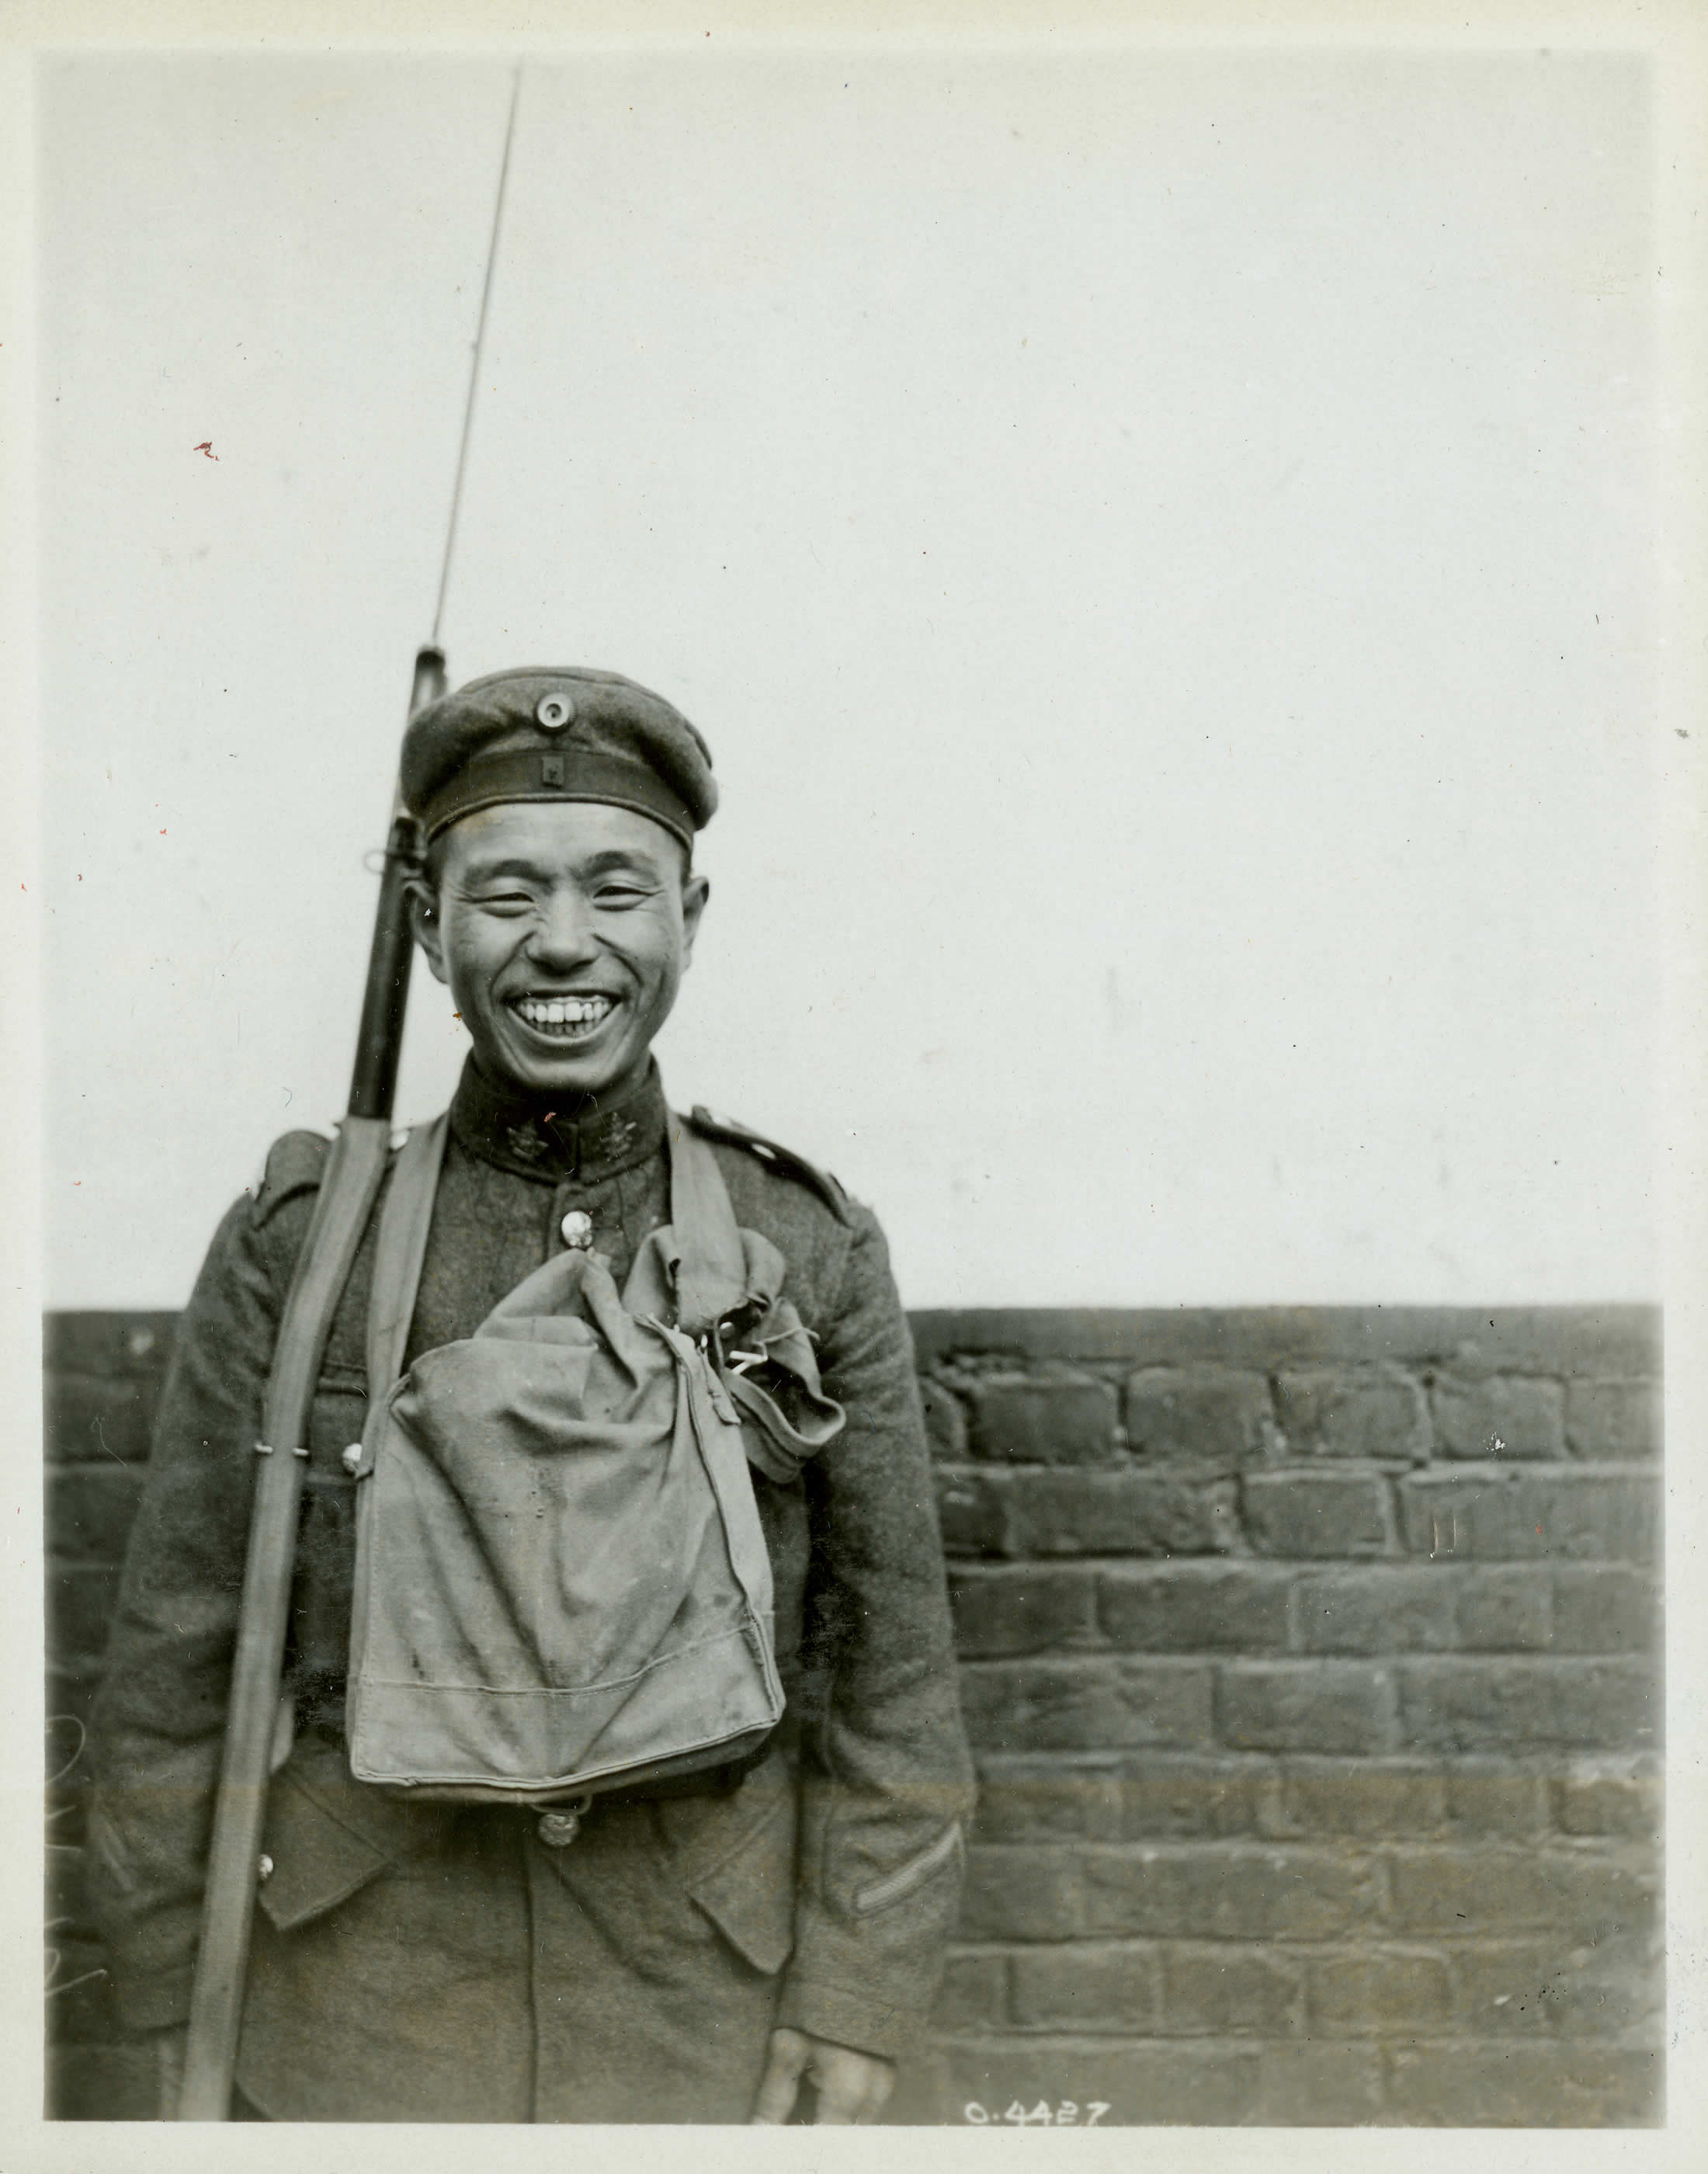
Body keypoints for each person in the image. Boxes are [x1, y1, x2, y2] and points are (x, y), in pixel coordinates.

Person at [85, 666, 976, 2124]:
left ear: (691, 916)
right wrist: (171, 1989)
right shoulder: (305, 1249)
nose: (565, 945)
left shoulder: (803, 1244)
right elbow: (175, 1663)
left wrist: (858, 1996)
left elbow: (893, 1679)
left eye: (617, 890)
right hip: (353, 2004)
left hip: (702, 2002)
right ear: (430, 928)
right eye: (505, 896)